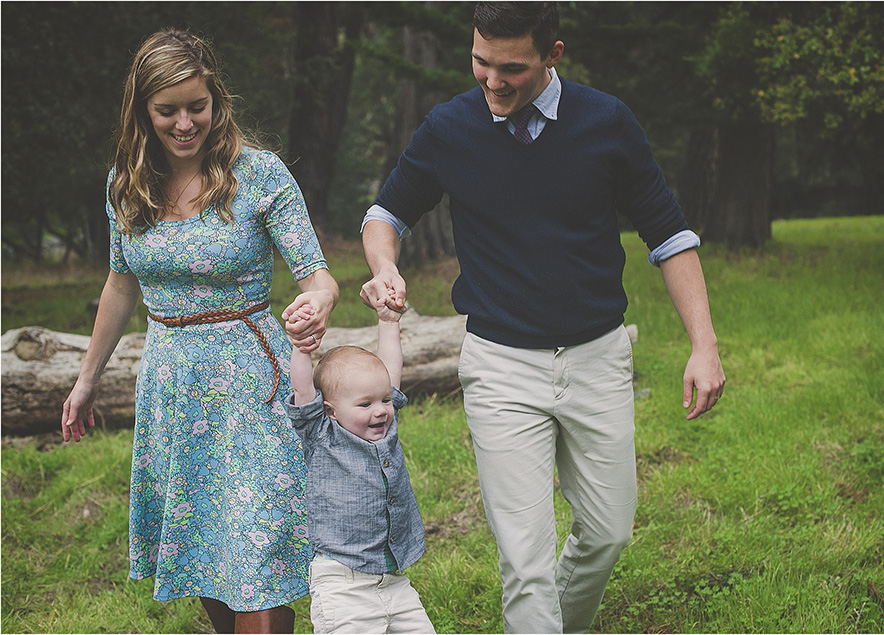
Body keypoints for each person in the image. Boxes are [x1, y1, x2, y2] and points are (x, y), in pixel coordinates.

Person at [359, 2, 726, 632]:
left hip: (597, 358)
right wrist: (384, 266)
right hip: (500, 367)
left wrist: (704, 344)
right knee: (525, 566)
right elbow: (384, 215)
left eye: (512, 68)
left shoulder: (607, 122)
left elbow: (669, 235)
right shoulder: (450, 128)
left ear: (553, 54)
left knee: (608, 533)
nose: (493, 81)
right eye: (480, 62)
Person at [60, 28, 338, 634]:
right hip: (173, 388)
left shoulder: (259, 175)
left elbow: (317, 277)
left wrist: (315, 304)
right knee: (208, 553)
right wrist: (85, 381)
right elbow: (120, 284)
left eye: (197, 106)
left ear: (217, 101)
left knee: (258, 550)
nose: (186, 123)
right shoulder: (124, 185)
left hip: (252, 382)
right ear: (143, 111)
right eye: (168, 110)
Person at [283, 292, 435, 634]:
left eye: (383, 400)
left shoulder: (386, 429)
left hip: (393, 582)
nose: (380, 409)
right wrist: (301, 348)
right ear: (330, 411)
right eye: (364, 404)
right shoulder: (321, 434)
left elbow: (389, 372)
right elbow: (304, 390)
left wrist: (388, 322)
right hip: (343, 586)